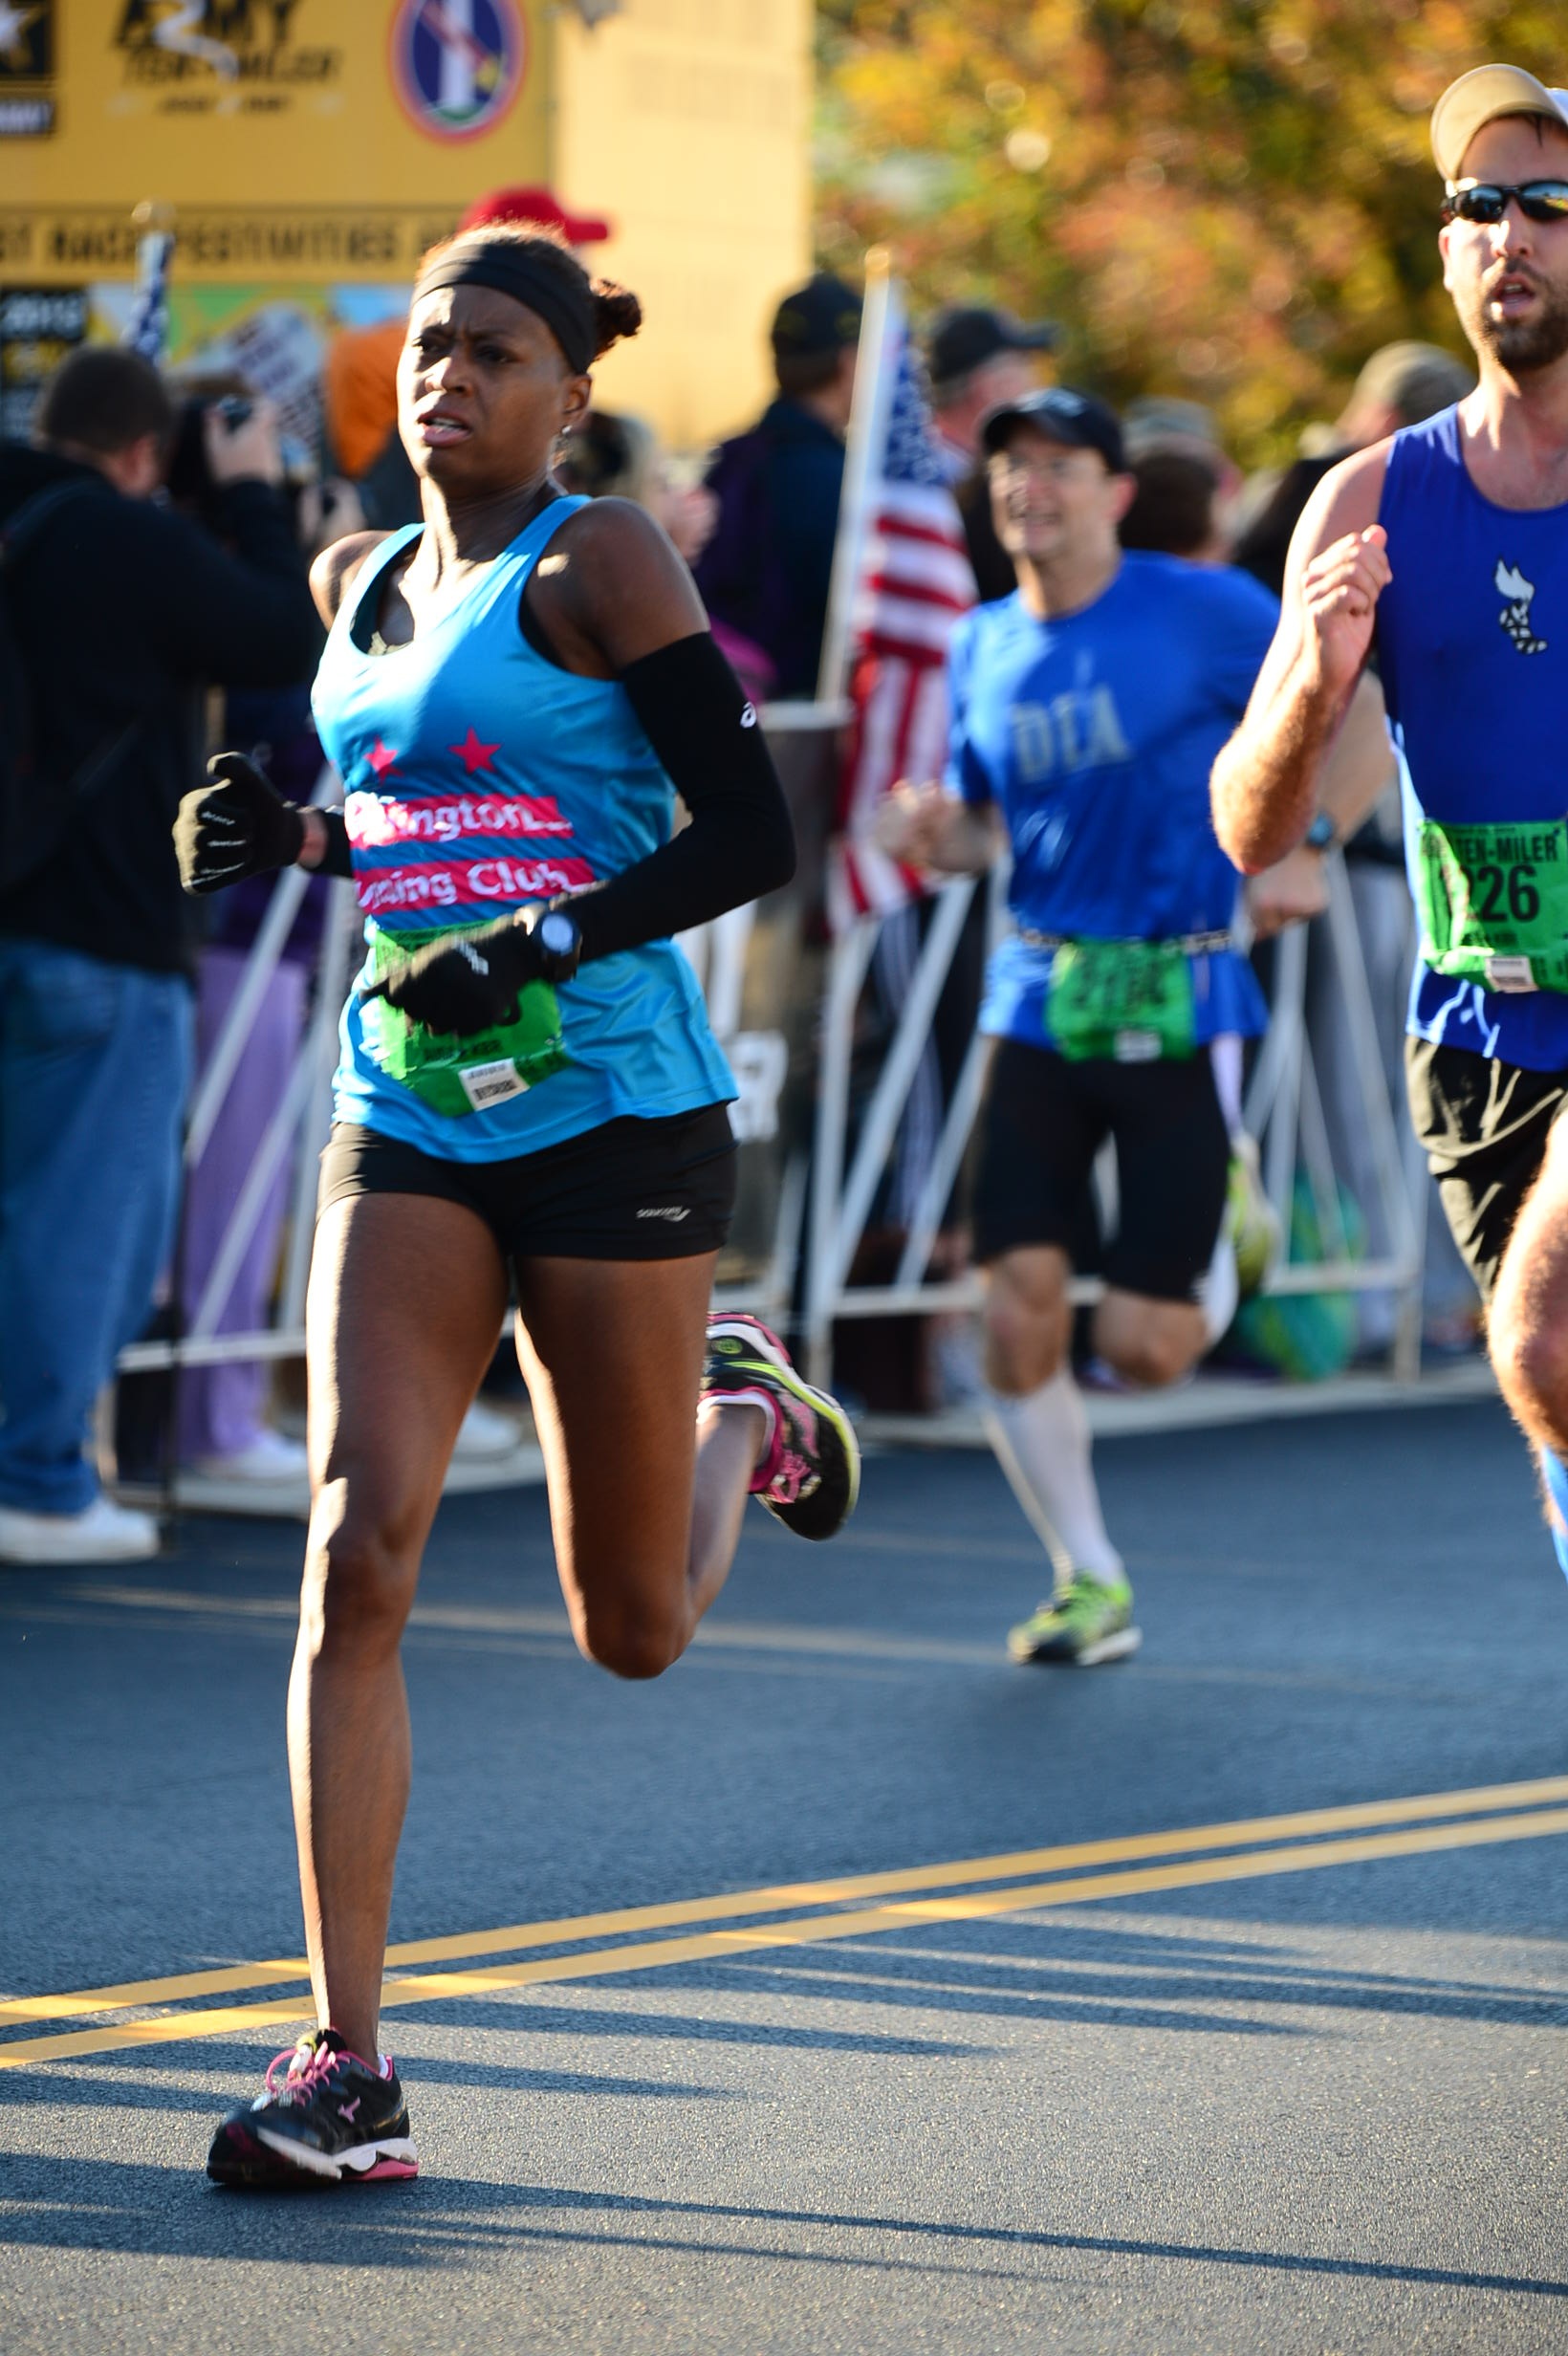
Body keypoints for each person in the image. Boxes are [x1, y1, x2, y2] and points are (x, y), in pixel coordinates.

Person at [175, 223, 860, 2186]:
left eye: (490, 351)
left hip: (615, 1114)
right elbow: (419, 817)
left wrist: (540, 936)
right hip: (408, 1110)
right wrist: (296, 833)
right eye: (423, 346)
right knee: (354, 1541)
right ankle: (348, 2059)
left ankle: (745, 1410)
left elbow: (749, 827)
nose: (441, 375)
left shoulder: (602, 558)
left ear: (567, 391)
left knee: (631, 1624)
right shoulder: (358, 577)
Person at [1211, 62, 1568, 1580]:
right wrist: (1313, 670)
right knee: (1554, 1413)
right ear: (1444, 248)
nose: (1511, 235)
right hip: (1481, 1037)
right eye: (1478, 204)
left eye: (1549, 204)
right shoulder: (1370, 503)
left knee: (1546, 1346)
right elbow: (1256, 825)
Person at [874, 387, 1280, 1665]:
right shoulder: (982, 643)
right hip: (1039, 994)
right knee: (1015, 1310)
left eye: (1058, 468)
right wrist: (943, 838)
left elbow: (1336, 708)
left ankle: (1234, 1218)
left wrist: (1307, 841)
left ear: (1114, 491)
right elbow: (990, 825)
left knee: (1147, 1352)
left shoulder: (1205, 610)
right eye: (1011, 471)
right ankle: (1086, 1577)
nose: (1028, 492)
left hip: (1182, 986)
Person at [0, 348, 317, 1565]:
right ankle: (37, 1478)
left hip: (24, 915)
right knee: (85, 1228)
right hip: (106, 938)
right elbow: (279, 633)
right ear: (144, 455)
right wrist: (249, 495)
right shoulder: (122, 538)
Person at [694, 272, 862, 697]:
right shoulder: (838, 479)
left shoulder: (730, 459)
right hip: (798, 719)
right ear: (849, 362)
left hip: (726, 701)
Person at [927, 304, 1058, 602]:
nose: (1036, 383)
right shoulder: (928, 480)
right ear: (989, 386)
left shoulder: (926, 464)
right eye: (1025, 366)